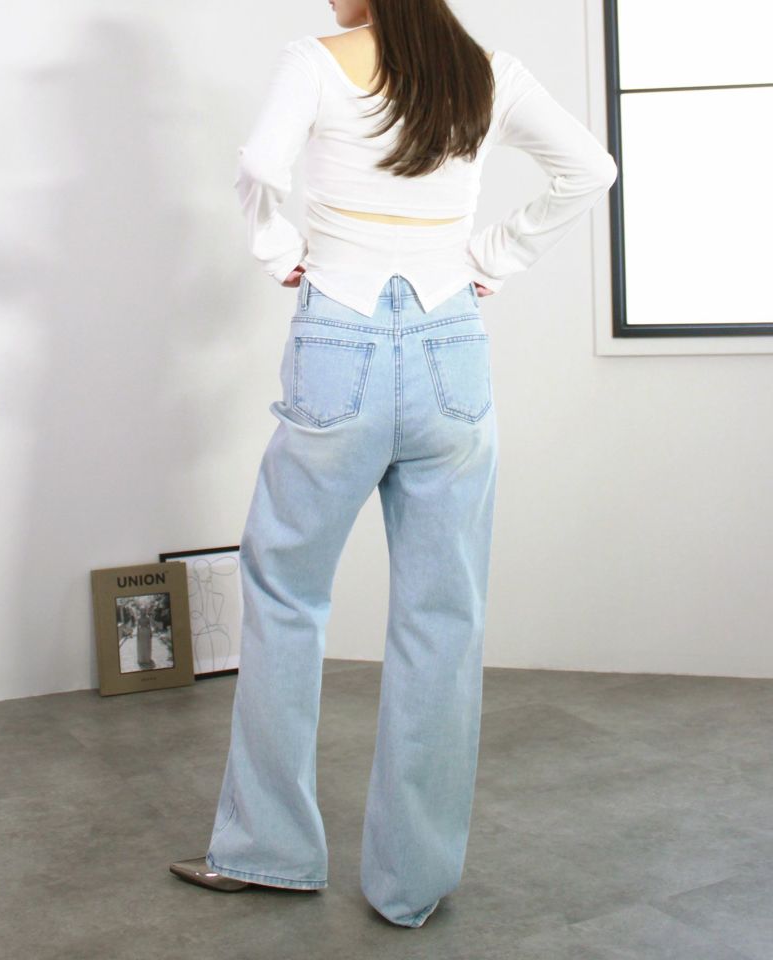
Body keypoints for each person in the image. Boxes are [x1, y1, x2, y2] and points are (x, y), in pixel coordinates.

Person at [170, 0, 617, 929]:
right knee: (443, 617)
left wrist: (278, 249)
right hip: (453, 343)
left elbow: (260, 167)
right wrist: (495, 254)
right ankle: (411, 884)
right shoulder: (483, 69)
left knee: (286, 595)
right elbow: (591, 167)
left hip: (340, 340)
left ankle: (269, 850)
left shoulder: (317, 59)